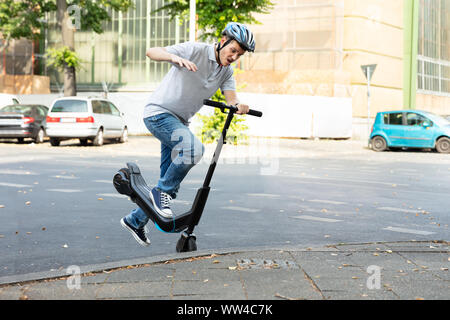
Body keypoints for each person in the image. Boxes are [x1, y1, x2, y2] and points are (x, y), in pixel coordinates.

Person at [120, 22, 256, 246]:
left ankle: (135, 220)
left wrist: (239, 106)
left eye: (239, 54)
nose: (234, 57)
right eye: (233, 51)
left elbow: (232, 99)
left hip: (179, 122)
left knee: (168, 184)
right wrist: (173, 58)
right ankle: (158, 196)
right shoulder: (196, 50)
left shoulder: (226, 72)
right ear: (223, 41)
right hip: (159, 114)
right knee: (193, 150)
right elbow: (152, 52)